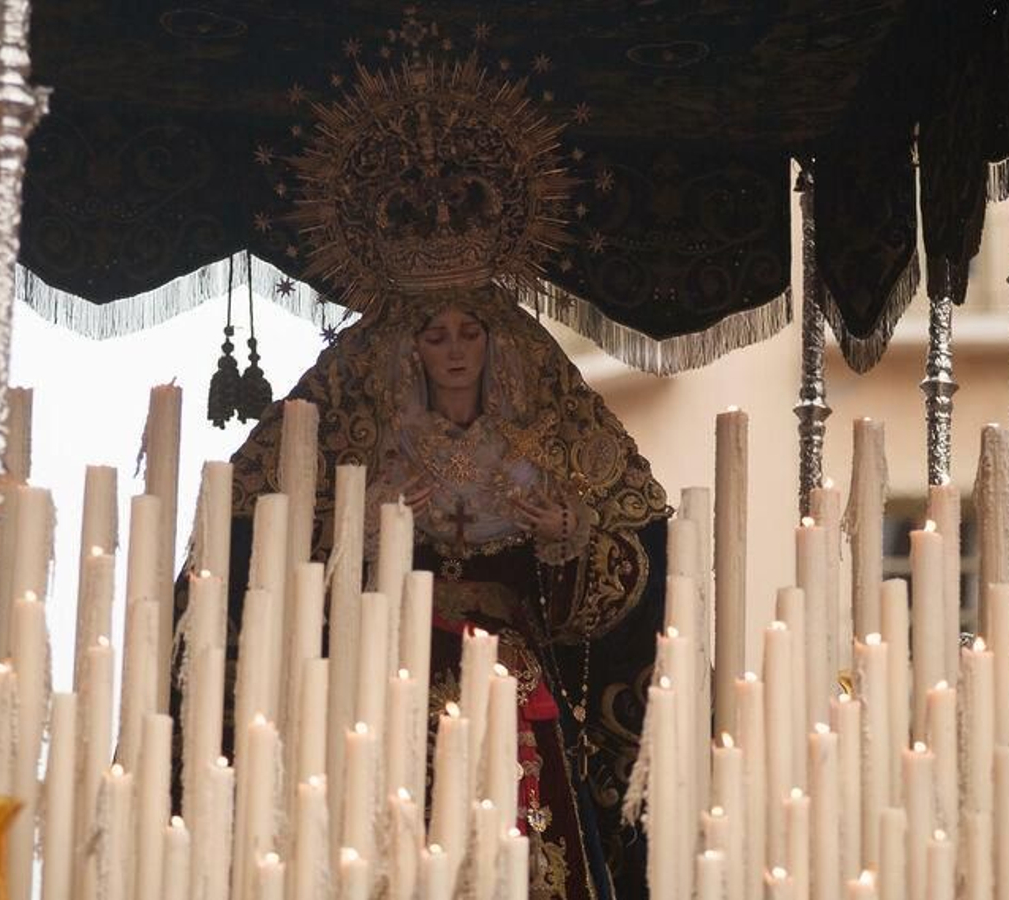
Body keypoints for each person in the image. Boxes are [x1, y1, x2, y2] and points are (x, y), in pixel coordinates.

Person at [210, 283, 670, 900]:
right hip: (396, 670)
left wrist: (564, 538)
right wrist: (362, 530)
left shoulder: (531, 459)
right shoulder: (376, 456)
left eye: (470, 333)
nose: (455, 351)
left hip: (508, 681)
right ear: (413, 351)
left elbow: (606, 591)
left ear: (494, 343)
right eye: (436, 336)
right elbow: (284, 575)